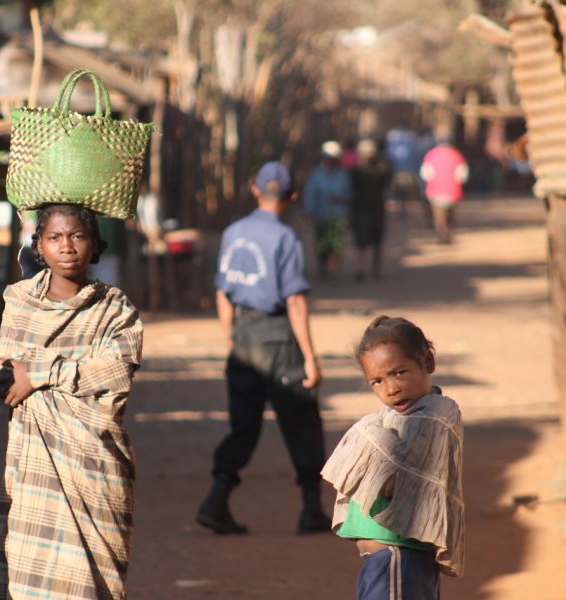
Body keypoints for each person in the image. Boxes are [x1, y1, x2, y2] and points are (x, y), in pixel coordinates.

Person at [0, 203, 143, 600]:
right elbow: (7, 378)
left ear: (94, 245)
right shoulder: (20, 302)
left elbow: (116, 376)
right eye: (55, 237)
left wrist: (39, 372)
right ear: (39, 246)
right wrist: (49, 374)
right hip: (37, 474)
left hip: (96, 469)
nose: (67, 246)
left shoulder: (117, 310)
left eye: (77, 236)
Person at [196, 161, 331, 536]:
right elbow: (295, 302)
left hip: (243, 334)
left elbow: (222, 292)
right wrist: (309, 358)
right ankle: (310, 510)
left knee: (243, 425)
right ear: (292, 196)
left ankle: (216, 500)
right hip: (276, 336)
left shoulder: (234, 231)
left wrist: (231, 337)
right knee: (301, 419)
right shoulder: (286, 238)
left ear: (255, 189)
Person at [322, 316, 465, 599]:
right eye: (377, 381)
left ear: (428, 362)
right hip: (388, 560)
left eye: (399, 373)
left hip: (399, 556)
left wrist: (366, 432)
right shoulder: (401, 416)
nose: (391, 388)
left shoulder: (434, 415)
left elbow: (394, 479)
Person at [303, 140, 352, 278]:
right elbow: (310, 194)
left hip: (338, 215)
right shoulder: (316, 175)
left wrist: (342, 199)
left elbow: (349, 193)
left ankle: (333, 265)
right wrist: (309, 211)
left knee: (336, 243)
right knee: (321, 243)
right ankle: (322, 266)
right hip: (321, 214)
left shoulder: (343, 175)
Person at [348, 139, 391, 282]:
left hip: (369, 211)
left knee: (369, 243)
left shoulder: (361, 171)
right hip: (365, 211)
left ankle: (366, 269)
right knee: (367, 244)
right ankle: (365, 269)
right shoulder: (357, 172)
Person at [420, 140, 469, 244]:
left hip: (435, 191)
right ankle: (448, 234)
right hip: (453, 191)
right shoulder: (457, 156)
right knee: (450, 215)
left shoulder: (431, 155)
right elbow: (462, 176)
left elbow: (426, 174)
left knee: (439, 216)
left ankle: (441, 234)